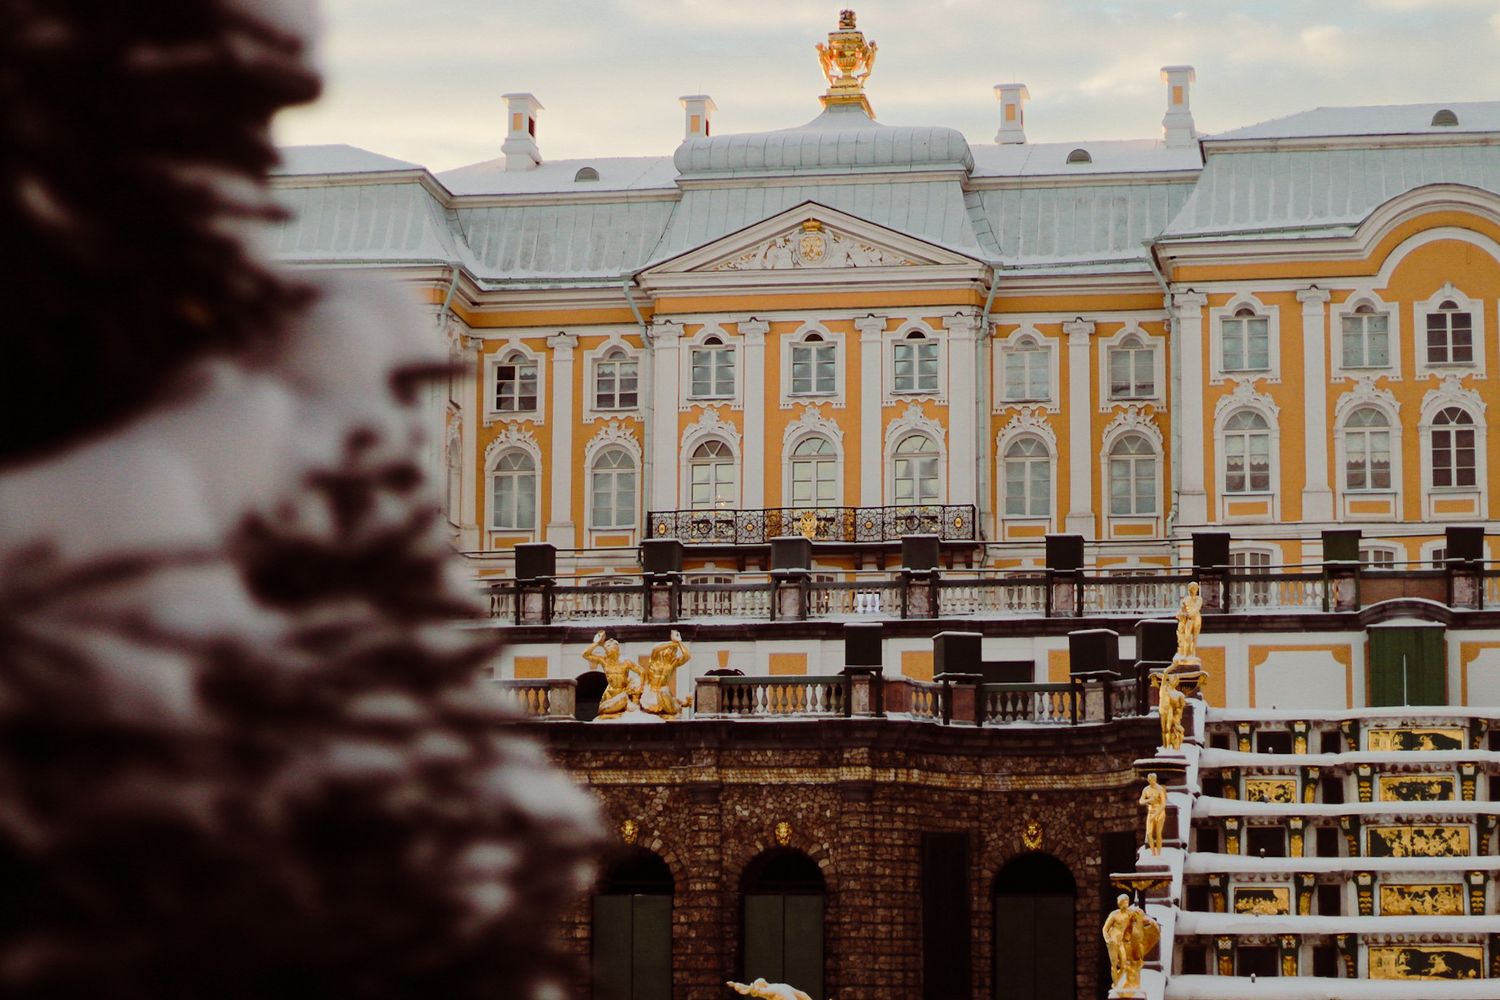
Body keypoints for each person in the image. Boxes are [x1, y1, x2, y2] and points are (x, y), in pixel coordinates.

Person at [583, 630, 641, 718]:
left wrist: (639, 685)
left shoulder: (626, 661)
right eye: (608, 645)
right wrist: (597, 643)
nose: (611, 647)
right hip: (609, 694)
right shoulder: (604, 660)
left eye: (614, 645)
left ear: (618, 649)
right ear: (605, 649)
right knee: (604, 712)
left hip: (623, 692)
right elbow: (585, 654)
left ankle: (617, 714)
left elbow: (642, 672)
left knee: (627, 707)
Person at [640, 630, 692, 718]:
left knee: (673, 711)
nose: (673, 653)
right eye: (671, 650)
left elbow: (687, 656)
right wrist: (672, 643)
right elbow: (656, 648)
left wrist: (679, 642)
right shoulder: (654, 660)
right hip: (651, 693)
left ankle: (677, 705)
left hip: (664, 692)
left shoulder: (672, 664)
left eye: (674, 651)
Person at [1140, 772, 1168, 856]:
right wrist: (1148, 800)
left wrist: (1156, 814)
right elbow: (1141, 801)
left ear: (1155, 780)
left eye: (1153, 780)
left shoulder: (1160, 789)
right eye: (1150, 780)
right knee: (1149, 833)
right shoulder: (1146, 789)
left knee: (1158, 833)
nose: (1151, 781)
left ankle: (1158, 853)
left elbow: (1163, 804)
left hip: (1159, 812)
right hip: (1151, 811)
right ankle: (1153, 852)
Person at [1175, 581, 1203, 661]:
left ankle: (1192, 653)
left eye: (1195, 588)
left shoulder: (1199, 599)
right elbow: (1181, 610)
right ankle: (1185, 654)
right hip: (1189, 620)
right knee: (1187, 636)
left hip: (1196, 619)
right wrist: (1180, 614)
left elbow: (1197, 608)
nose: (1194, 590)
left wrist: (1189, 614)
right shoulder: (1186, 599)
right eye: (1192, 588)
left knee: (1195, 637)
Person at [726, 979, 814, 1000]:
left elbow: (750, 989)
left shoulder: (768, 991)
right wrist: (735, 984)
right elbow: (802, 994)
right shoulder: (779, 986)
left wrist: (735, 985)